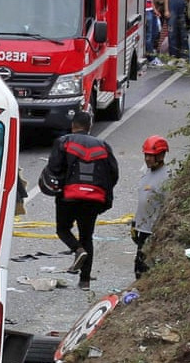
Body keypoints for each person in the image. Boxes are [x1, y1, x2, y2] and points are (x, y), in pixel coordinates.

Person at [46, 109, 119, 291]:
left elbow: (54, 168)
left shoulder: (64, 142)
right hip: (93, 199)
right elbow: (113, 173)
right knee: (87, 236)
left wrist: (58, 189)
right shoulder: (103, 145)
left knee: (63, 229)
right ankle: (84, 281)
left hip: (68, 197)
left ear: (73, 125)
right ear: (90, 126)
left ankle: (78, 250)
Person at [133, 135, 171, 279]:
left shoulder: (167, 178)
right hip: (142, 229)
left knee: (146, 269)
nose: (147, 158)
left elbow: (168, 206)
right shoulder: (146, 172)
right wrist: (135, 223)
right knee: (139, 268)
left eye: (151, 155)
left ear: (161, 155)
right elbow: (143, 199)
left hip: (154, 231)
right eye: (146, 155)